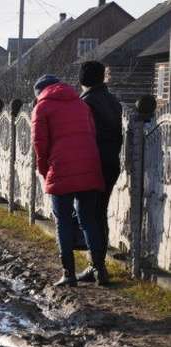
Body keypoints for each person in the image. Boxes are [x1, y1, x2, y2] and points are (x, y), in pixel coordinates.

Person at [31, 74, 108, 287]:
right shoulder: (81, 104)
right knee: (89, 219)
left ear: (40, 93)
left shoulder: (42, 107)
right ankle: (99, 270)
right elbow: (91, 134)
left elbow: (40, 144)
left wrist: (45, 171)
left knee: (63, 221)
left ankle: (69, 273)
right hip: (89, 167)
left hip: (61, 168)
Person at [77, 61, 123, 282]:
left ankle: (97, 267)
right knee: (99, 213)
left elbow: (83, 136)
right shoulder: (114, 101)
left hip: (92, 165)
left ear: (83, 80)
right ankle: (97, 264)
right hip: (111, 164)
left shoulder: (86, 103)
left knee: (89, 215)